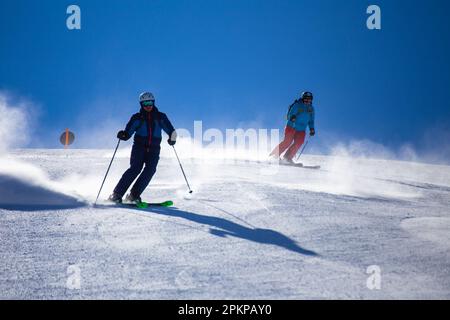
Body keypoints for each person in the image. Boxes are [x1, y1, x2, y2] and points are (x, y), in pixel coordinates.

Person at [108, 92, 177, 203]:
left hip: (154, 149)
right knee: (135, 169)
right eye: (145, 103)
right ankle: (116, 194)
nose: (148, 106)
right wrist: (123, 135)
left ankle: (133, 195)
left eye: (150, 103)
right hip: (139, 147)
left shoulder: (160, 117)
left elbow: (171, 130)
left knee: (150, 170)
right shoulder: (137, 118)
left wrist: (172, 138)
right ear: (141, 104)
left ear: (153, 103)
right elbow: (128, 133)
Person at [270, 91, 316, 163]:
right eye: (306, 99)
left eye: (309, 99)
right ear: (303, 98)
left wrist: (312, 128)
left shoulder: (311, 109)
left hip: (301, 130)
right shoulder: (297, 105)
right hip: (292, 126)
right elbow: (289, 115)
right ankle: (275, 155)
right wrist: (292, 117)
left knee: (299, 143)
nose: (308, 101)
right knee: (287, 142)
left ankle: (287, 158)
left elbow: (311, 120)